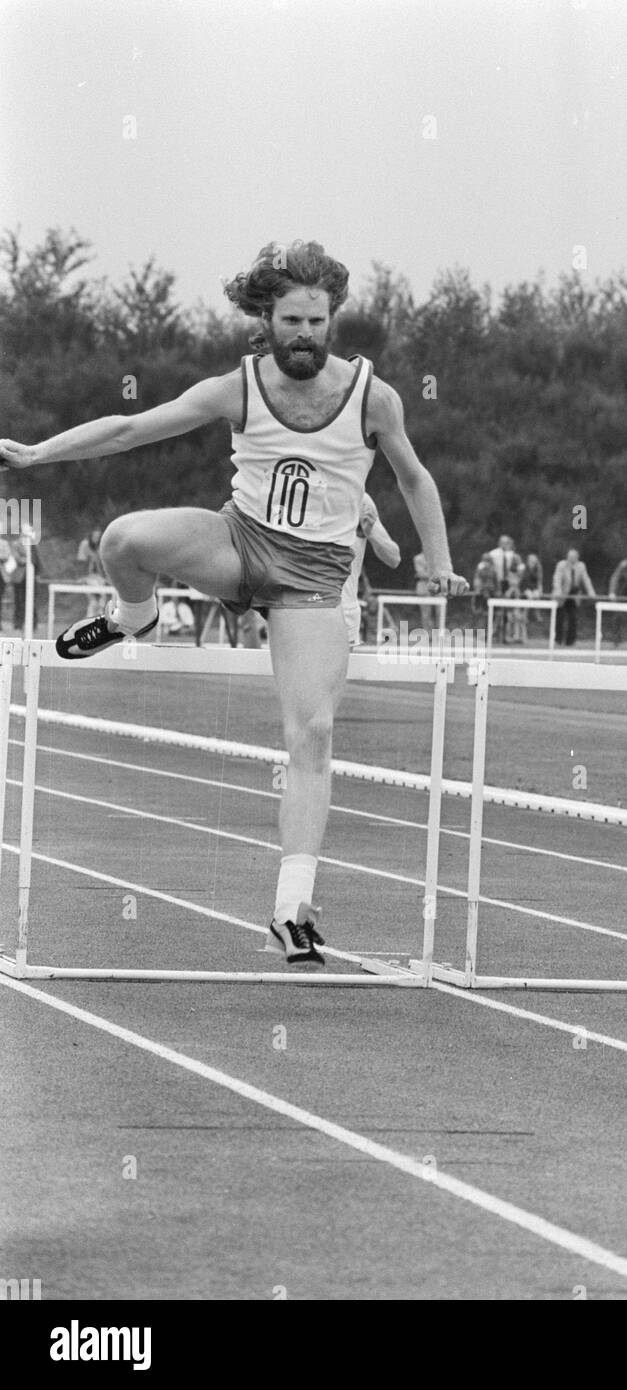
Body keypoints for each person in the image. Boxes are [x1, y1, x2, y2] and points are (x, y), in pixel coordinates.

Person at [0, 238, 467, 968]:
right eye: (291, 321)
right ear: (267, 318)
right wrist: (35, 455)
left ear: (333, 318)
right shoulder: (238, 388)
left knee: (310, 733)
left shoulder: (373, 396)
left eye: (316, 321)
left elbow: (414, 477)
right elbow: (130, 429)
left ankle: (292, 907)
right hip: (240, 543)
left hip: (313, 578)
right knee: (124, 540)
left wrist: (438, 562)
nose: (305, 334)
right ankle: (134, 618)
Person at [342, 492, 400, 646]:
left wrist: (369, 533)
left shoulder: (360, 499)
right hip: (296, 604)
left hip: (343, 610)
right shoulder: (292, 486)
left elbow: (393, 558)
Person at [552, 547, 595, 647]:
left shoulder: (581, 566)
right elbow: (556, 578)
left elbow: (586, 579)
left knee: (573, 618)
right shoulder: (561, 565)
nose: (571, 558)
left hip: (574, 594)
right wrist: (558, 590)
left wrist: (591, 591)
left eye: (573, 557)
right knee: (560, 618)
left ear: (577, 557)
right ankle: (558, 640)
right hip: (562, 594)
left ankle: (570, 641)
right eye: (569, 556)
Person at [77, 527, 108, 617]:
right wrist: (82, 577)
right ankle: (90, 620)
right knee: (94, 601)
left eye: (98, 536)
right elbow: (81, 563)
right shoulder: (85, 545)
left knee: (101, 602)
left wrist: (106, 578)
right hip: (89, 577)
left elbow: (104, 565)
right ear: (90, 536)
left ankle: (98, 619)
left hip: (100, 578)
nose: (96, 538)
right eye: (94, 536)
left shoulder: (103, 546)